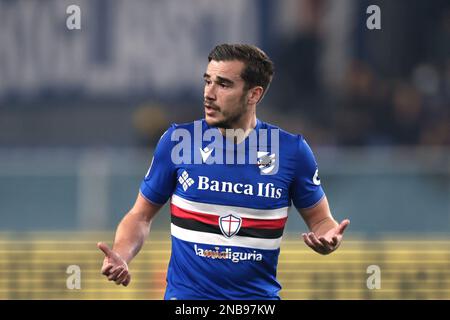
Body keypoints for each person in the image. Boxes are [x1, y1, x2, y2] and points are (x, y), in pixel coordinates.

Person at [97, 44, 350, 300]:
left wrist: (328, 237)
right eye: (207, 81)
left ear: (254, 94)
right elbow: (140, 216)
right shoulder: (178, 142)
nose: (209, 93)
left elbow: (320, 220)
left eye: (224, 84)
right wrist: (122, 253)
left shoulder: (291, 151)